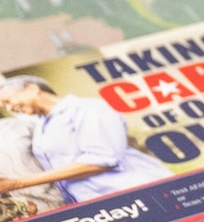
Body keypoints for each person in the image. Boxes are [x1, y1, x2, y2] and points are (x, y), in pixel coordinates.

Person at [0, 75, 170, 207]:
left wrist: (17, 183)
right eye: (4, 106)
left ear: (31, 88)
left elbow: (101, 160)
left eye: (8, 101)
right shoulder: (41, 128)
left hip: (138, 193)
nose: (9, 107)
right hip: (99, 205)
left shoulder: (87, 108)